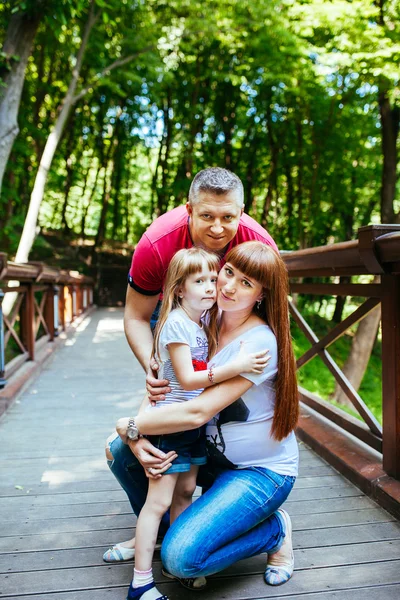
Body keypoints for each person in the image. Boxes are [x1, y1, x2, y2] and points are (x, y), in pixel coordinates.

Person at [104, 167, 278, 562]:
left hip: (229, 335)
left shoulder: (257, 244)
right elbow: (135, 316)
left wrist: (133, 424)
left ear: (243, 213)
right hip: (175, 319)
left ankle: (232, 521)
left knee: (205, 426)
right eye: (206, 217)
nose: (218, 228)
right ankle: (158, 532)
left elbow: (270, 323)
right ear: (188, 210)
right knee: (124, 453)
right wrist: (154, 366)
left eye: (228, 217)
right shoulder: (158, 244)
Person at [112, 241, 299, 600]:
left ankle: (274, 528)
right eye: (228, 273)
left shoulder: (258, 345)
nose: (228, 286)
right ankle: (165, 526)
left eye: (246, 283)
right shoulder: (203, 317)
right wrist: (134, 431)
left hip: (259, 471)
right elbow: (168, 383)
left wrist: (132, 425)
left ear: (262, 294)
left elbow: (198, 411)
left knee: (181, 560)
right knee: (120, 451)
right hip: (209, 454)